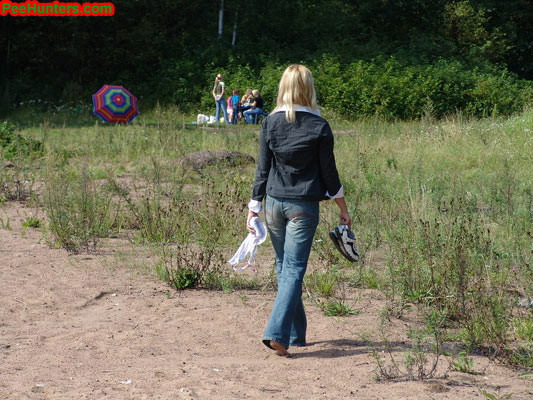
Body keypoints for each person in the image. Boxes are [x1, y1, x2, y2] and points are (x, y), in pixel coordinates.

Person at [246, 64, 352, 357]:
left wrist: (254, 208)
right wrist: (343, 209)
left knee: (285, 268)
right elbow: (329, 175)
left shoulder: (269, 122)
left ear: (283, 87)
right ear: (308, 88)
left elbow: (262, 170)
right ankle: (277, 334)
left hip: (274, 205)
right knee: (292, 269)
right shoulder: (319, 125)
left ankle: (296, 333)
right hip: (302, 206)